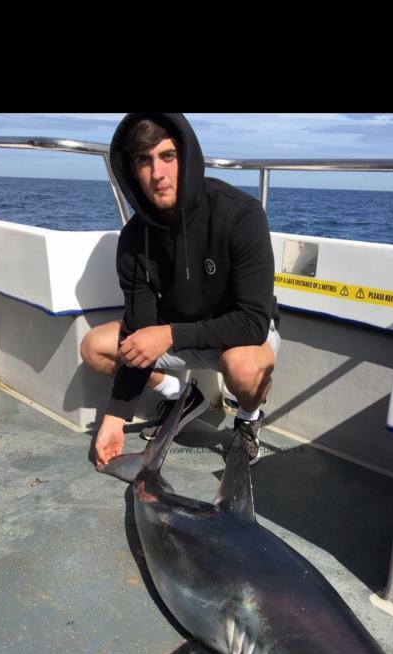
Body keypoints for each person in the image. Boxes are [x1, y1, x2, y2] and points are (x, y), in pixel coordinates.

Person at [80, 113, 281, 467]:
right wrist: (115, 417)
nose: (157, 174)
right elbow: (138, 326)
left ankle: (248, 419)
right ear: (130, 170)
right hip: (174, 335)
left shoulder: (240, 214)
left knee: (244, 368)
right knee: (95, 346)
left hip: (236, 337)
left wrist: (169, 334)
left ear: (186, 158)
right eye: (144, 161)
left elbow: (252, 321)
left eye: (167, 156)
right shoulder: (133, 239)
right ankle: (180, 395)